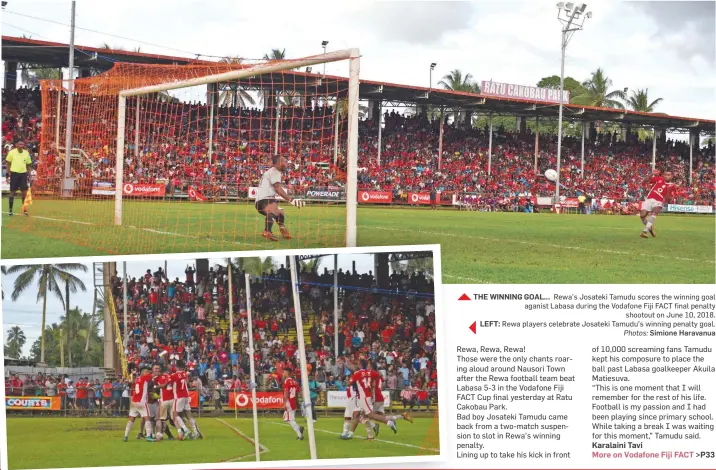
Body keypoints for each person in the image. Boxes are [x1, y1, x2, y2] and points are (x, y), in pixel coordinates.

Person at [255, 155, 305, 242]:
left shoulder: (272, 172)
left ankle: (282, 229)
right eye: (285, 161)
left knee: (280, 212)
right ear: (279, 163)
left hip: (262, 200)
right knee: (274, 210)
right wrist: (291, 200)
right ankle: (267, 231)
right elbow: (277, 188)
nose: (287, 163)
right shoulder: (275, 171)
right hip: (265, 199)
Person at [639, 170, 676, 239]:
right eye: (665, 175)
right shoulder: (659, 179)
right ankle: (650, 227)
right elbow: (645, 180)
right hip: (649, 198)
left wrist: (668, 189)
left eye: (668, 175)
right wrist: (652, 174)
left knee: (654, 212)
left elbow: (668, 199)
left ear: (671, 176)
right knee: (642, 216)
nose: (666, 176)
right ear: (663, 175)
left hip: (659, 201)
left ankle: (644, 231)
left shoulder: (673, 186)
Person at [123, 365, 156, 442]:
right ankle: (148, 436)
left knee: (131, 419)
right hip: (142, 402)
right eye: (146, 371)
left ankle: (125, 435)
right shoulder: (144, 378)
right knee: (147, 418)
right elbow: (154, 375)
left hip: (134, 401)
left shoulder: (137, 379)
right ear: (143, 372)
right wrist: (157, 371)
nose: (148, 373)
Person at [171, 360, 202, 440]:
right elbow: (187, 381)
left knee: (175, 415)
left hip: (178, 396)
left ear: (176, 367)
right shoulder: (185, 374)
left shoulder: (174, 375)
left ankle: (185, 429)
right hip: (186, 395)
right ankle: (195, 432)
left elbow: (169, 383)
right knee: (188, 414)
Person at [5, 140, 32, 217]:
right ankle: (10, 210)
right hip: (14, 174)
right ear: (16, 145)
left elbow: (29, 165)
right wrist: (7, 176)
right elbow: (8, 164)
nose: (21, 145)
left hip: (23, 174)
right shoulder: (11, 153)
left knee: (25, 193)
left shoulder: (26, 153)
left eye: (22, 144)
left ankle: (25, 210)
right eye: (20, 144)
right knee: (12, 192)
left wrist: (29, 175)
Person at [282, 368, 304, 440]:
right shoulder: (294, 381)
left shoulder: (286, 381)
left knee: (290, 420)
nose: (283, 373)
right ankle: (299, 428)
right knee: (288, 419)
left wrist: (285, 403)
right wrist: (303, 399)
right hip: (293, 402)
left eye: (284, 372)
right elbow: (299, 391)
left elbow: (286, 392)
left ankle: (299, 435)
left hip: (289, 402)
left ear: (287, 373)